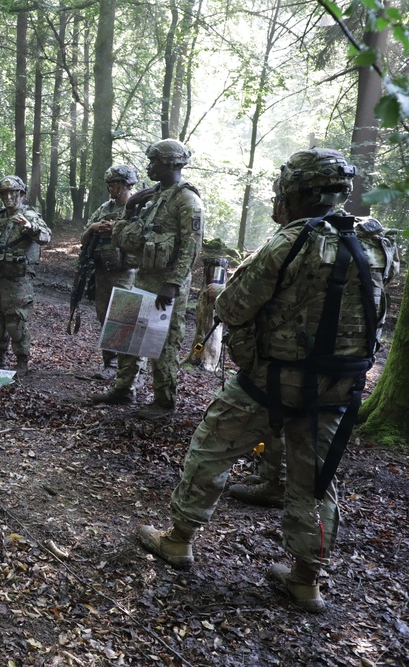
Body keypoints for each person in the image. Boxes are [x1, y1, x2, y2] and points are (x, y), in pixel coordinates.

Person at [136, 149, 398, 613]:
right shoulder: (378, 242)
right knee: (315, 481)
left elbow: (234, 307)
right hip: (339, 388)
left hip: (271, 380)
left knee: (211, 449)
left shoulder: (288, 243)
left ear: (298, 193)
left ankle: (178, 540)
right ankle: (305, 580)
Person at [92, 139, 204, 420]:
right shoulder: (152, 196)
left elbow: (192, 246)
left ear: (169, 163)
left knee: (164, 343)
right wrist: (130, 210)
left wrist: (174, 284)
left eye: (154, 162)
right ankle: (123, 389)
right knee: (129, 335)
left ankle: (164, 401)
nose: (149, 166)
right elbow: (128, 237)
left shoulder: (187, 199)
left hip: (167, 282)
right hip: (142, 276)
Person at [0, 176, 52, 375]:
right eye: (4, 194)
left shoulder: (29, 215)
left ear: (21, 194)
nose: (8, 197)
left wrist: (30, 227)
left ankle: (22, 362)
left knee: (15, 322)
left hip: (17, 279)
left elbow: (46, 236)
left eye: (12, 193)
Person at [80, 165, 139, 380]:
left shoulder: (139, 208)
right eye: (109, 184)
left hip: (126, 272)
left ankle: (126, 369)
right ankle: (110, 364)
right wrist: (94, 227)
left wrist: (117, 228)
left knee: (123, 318)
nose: (110, 187)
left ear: (126, 184)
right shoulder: (105, 207)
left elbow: (142, 236)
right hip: (102, 272)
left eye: (114, 183)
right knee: (105, 317)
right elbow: (83, 237)